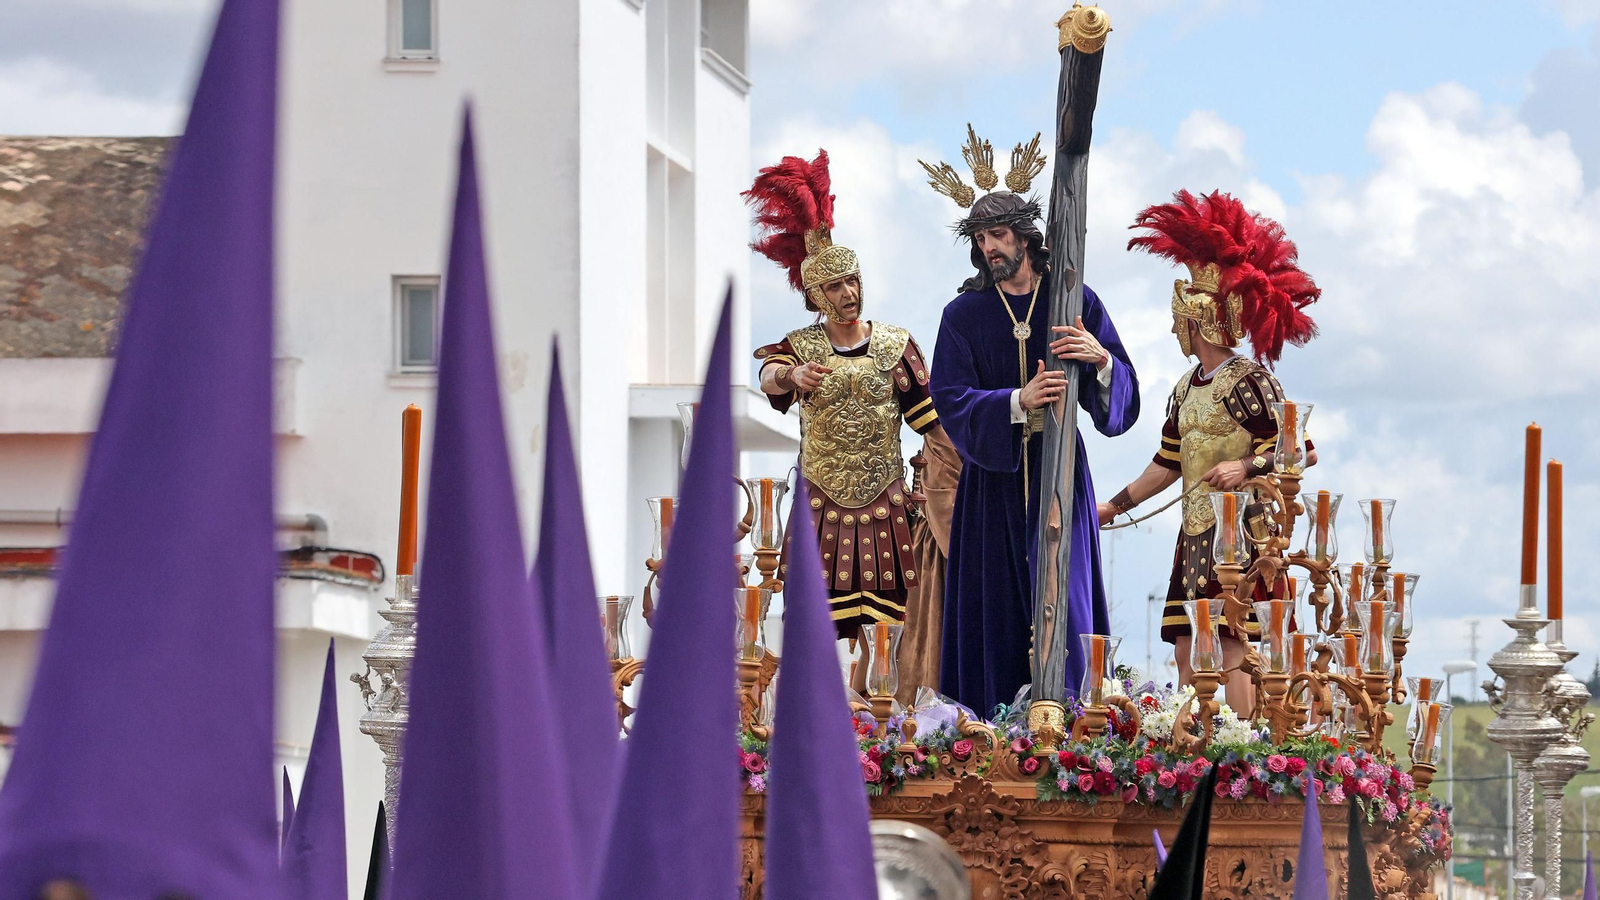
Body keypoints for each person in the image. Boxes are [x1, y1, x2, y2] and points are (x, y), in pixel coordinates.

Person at [921, 128, 1140, 717]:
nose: (990, 248)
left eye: (998, 236)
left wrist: (1099, 361)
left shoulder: (1073, 300)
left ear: (1025, 238)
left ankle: (1069, 725)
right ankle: (986, 734)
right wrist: (1016, 401)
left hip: (1062, 473)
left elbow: (1125, 399)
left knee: (1064, 603)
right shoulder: (963, 315)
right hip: (993, 485)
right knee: (994, 613)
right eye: (981, 238)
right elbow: (948, 396)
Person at [1102, 189, 1321, 712]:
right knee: (1186, 647)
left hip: (1246, 533)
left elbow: (1301, 453)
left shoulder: (1251, 381)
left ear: (1195, 319)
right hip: (1195, 531)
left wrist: (1244, 466)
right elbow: (1168, 463)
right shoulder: (1183, 388)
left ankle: (1239, 745)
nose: (1174, 327)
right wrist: (1115, 505)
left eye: (1179, 318)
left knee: (1234, 646)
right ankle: (1192, 746)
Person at [744, 150, 944, 687]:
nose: (849, 293)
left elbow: (933, 423)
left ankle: (883, 718)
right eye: (835, 287)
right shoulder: (800, 347)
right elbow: (765, 376)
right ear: (815, 294)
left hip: (886, 497)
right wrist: (791, 379)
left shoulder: (897, 346)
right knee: (814, 629)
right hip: (821, 499)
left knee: (888, 628)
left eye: (853, 281)